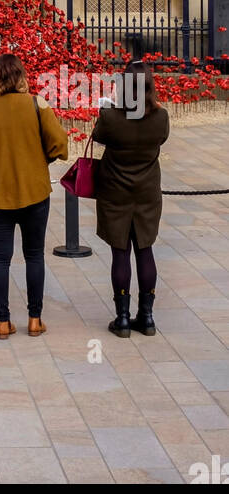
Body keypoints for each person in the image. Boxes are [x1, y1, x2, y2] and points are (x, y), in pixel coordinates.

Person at [0, 53, 68, 339]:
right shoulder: (37, 103)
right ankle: (35, 319)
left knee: (0, 257)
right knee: (34, 255)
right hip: (34, 190)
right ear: (22, 76)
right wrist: (41, 160)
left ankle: (3, 322)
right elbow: (59, 142)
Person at [93, 60, 169, 338]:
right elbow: (161, 139)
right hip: (147, 192)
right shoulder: (161, 118)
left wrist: (112, 104)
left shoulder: (111, 117)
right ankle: (146, 317)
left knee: (120, 252)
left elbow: (98, 136)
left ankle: (123, 318)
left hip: (116, 191)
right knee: (145, 250)